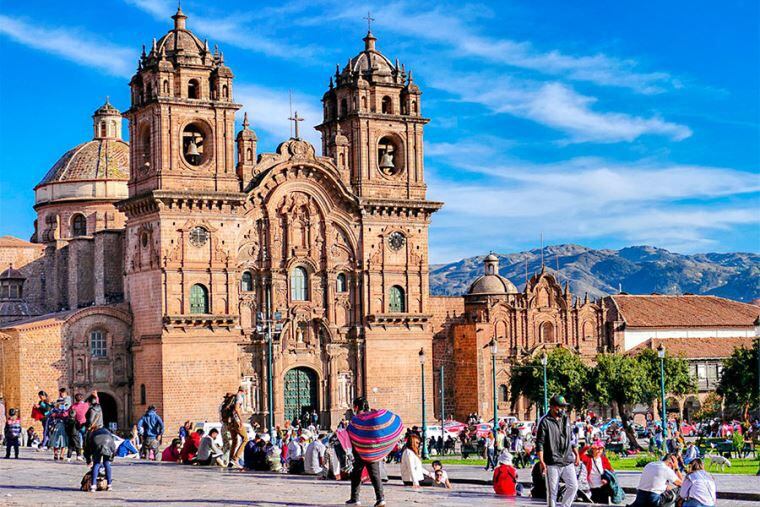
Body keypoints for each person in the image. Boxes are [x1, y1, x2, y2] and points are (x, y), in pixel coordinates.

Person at [536, 394, 580, 507]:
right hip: (552, 462)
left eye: (563, 407)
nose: (561, 409)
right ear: (551, 406)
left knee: (573, 486)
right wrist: (542, 461)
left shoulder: (566, 419)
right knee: (552, 492)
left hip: (567, 459)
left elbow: (571, 438)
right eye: (559, 407)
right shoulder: (545, 422)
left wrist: (577, 454)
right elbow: (539, 443)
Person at [347, 397, 386, 507]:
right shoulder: (373, 417)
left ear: (356, 406)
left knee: (356, 474)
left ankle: (355, 499)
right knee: (375, 474)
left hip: (360, 450)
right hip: (372, 449)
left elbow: (350, 432)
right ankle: (380, 498)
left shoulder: (357, 419)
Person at [89, 427, 116, 492]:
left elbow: (89, 448)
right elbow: (113, 448)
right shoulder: (108, 432)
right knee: (106, 463)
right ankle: (109, 485)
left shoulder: (93, 433)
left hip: (97, 441)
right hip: (108, 441)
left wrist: (89, 459)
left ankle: (93, 485)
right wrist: (111, 458)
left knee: (97, 463)